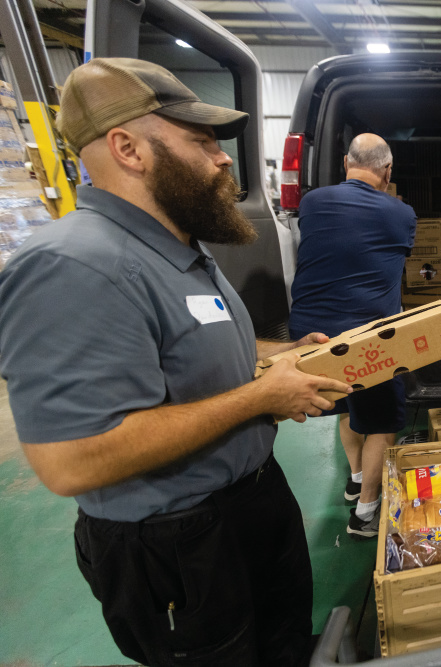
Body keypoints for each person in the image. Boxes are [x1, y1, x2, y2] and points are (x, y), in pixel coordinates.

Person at [0, 58, 352, 666]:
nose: (221, 159)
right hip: (179, 545)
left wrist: (282, 357)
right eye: (200, 140)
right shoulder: (75, 266)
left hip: (251, 506)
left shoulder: (175, 248)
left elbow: (198, 346)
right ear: (128, 148)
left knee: (284, 645)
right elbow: (70, 460)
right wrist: (261, 399)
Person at [288, 133, 416, 539]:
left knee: (346, 404)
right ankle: (365, 513)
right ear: (388, 171)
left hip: (310, 336)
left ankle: (356, 477)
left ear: (346, 162)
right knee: (381, 420)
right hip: (369, 338)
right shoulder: (402, 214)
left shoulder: (311, 203)